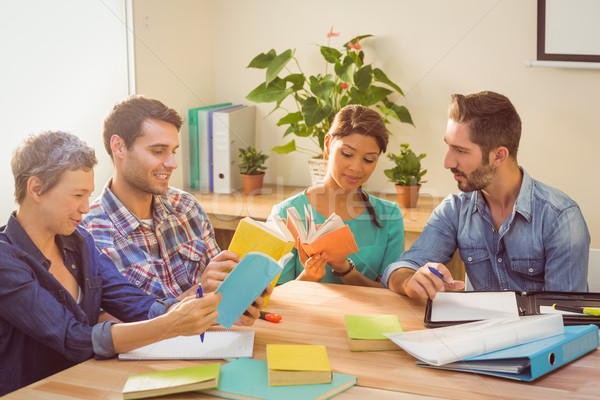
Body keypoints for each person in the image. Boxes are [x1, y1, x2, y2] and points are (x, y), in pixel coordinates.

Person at [0, 131, 255, 395]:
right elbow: (72, 338)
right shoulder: (5, 261)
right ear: (36, 189)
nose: (86, 208)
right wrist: (172, 323)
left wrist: (212, 312)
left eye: (88, 195)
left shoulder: (79, 243)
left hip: (90, 384)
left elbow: (134, 303)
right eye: (77, 196)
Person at [382, 91, 590, 300]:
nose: (448, 162)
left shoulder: (560, 218)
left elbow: (564, 318)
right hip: (477, 331)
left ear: (499, 156)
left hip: (541, 333)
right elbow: (400, 268)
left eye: (460, 151)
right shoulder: (454, 210)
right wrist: (410, 280)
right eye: (448, 146)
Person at [82, 96, 242, 300]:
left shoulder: (186, 207)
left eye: (173, 151)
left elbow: (222, 290)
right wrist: (197, 293)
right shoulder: (91, 235)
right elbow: (110, 327)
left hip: (219, 331)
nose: (173, 163)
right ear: (119, 146)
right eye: (158, 151)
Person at [271, 105, 404, 287]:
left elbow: (390, 296)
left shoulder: (389, 217)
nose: (356, 168)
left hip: (369, 316)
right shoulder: (285, 213)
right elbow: (274, 297)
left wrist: (345, 270)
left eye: (369, 159)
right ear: (327, 145)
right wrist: (309, 277)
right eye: (347, 154)